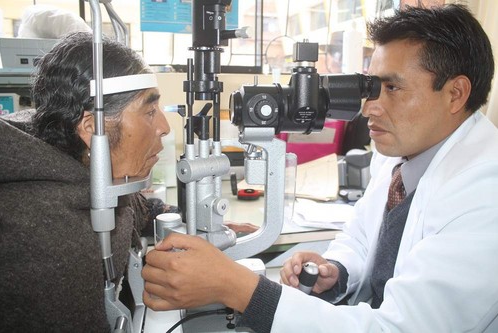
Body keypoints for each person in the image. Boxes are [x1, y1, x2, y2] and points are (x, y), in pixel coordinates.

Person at [142, 4, 498, 333]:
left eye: (392, 88)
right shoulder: (400, 152)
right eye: (371, 87)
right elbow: (360, 236)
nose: (371, 106)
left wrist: (237, 287)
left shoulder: (485, 190)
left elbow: (401, 328)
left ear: (455, 94)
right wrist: (337, 271)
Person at [0, 32, 172, 331]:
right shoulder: (48, 246)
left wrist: (163, 215)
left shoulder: (75, 159)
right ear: (93, 128)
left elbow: (132, 206)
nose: (164, 127)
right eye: (149, 111)